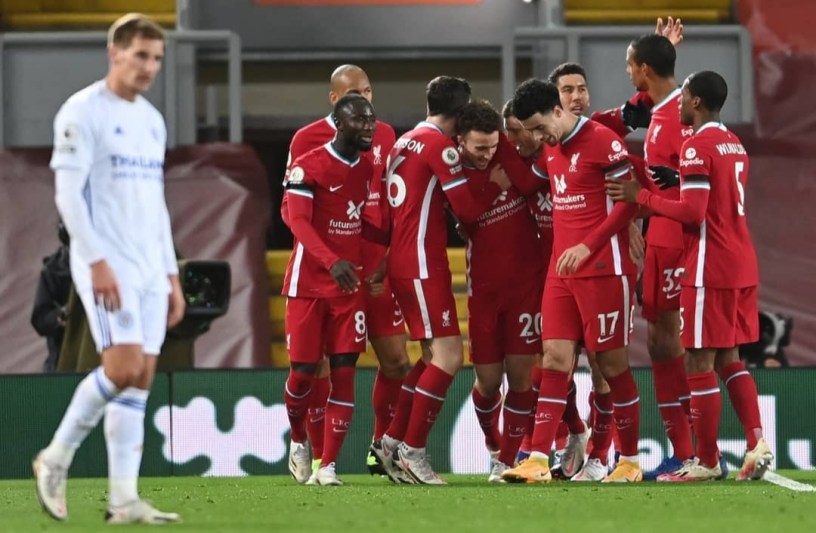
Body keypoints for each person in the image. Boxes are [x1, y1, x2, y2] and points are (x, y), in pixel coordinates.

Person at [33, 13, 183, 524]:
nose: (149, 67)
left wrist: (171, 274)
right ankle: (56, 457)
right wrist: (96, 261)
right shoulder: (82, 111)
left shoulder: (152, 120)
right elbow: (68, 196)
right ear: (114, 52)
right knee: (121, 369)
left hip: (149, 265)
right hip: (107, 262)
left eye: (156, 58)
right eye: (140, 55)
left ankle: (123, 500)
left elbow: (156, 205)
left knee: (139, 380)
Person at [606, 70, 774, 481]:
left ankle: (708, 460)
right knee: (729, 357)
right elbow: (716, 197)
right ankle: (756, 442)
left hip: (708, 265)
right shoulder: (734, 143)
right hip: (741, 261)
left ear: (696, 101)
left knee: (698, 359)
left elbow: (693, 213)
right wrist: (681, 180)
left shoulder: (696, 146)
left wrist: (643, 196)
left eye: (683, 97)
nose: (678, 103)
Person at [500, 80, 643, 484]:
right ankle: (538, 459)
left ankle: (630, 461)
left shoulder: (602, 142)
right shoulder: (550, 148)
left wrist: (588, 245)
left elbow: (628, 202)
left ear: (558, 111)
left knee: (611, 365)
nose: (538, 137)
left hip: (605, 269)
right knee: (554, 360)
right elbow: (527, 180)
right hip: (562, 271)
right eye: (530, 130)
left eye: (540, 127)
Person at [372, 76, 509, 485]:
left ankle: (392, 441)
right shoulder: (440, 147)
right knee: (449, 356)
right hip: (420, 261)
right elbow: (468, 211)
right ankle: (412, 451)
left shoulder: (405, 140)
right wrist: (496, 186)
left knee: (433, 355)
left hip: (404, 258)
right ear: (460, 112)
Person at [281, 64, 409, 481]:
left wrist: (386, 255)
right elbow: (294, 214)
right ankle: (305, 443)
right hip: (316, 276)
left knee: (382, 363)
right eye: (356, 98)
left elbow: (378, 210)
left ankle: (356, 457)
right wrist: (329, 258)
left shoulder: (379, 145)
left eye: (369, 93)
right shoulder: (306, 148)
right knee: (307, 371)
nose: (367, 109)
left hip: (362, 274)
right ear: (335, 105)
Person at [456, 100, 543, 482]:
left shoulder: (508, 155)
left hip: (525, 288)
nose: (487, 154)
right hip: (484, 294)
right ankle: (493, 443)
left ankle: (506, 459)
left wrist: (502, 153)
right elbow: (467, 215)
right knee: (488, 383)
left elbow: (529, 183)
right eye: (480, 147)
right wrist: (494, 186)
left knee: (521, 378)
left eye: (493, 146)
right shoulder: (454, 172)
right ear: (461, 141)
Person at [624, 34, 698, 479]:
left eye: (632, 65)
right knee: (663, 340)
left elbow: (695, 175)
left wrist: (645, 199)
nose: (628, 72)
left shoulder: (675, 116)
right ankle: (688, 451)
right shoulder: (664, 108)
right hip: (662, 232)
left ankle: (690, 452)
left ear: (644, 69)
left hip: (674, 236)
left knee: (669, 340)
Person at [31, 220, 72, 372]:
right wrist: (59, 316)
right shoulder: (54, 271)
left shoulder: (113, 265)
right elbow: (40, 319)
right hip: (64, 359)